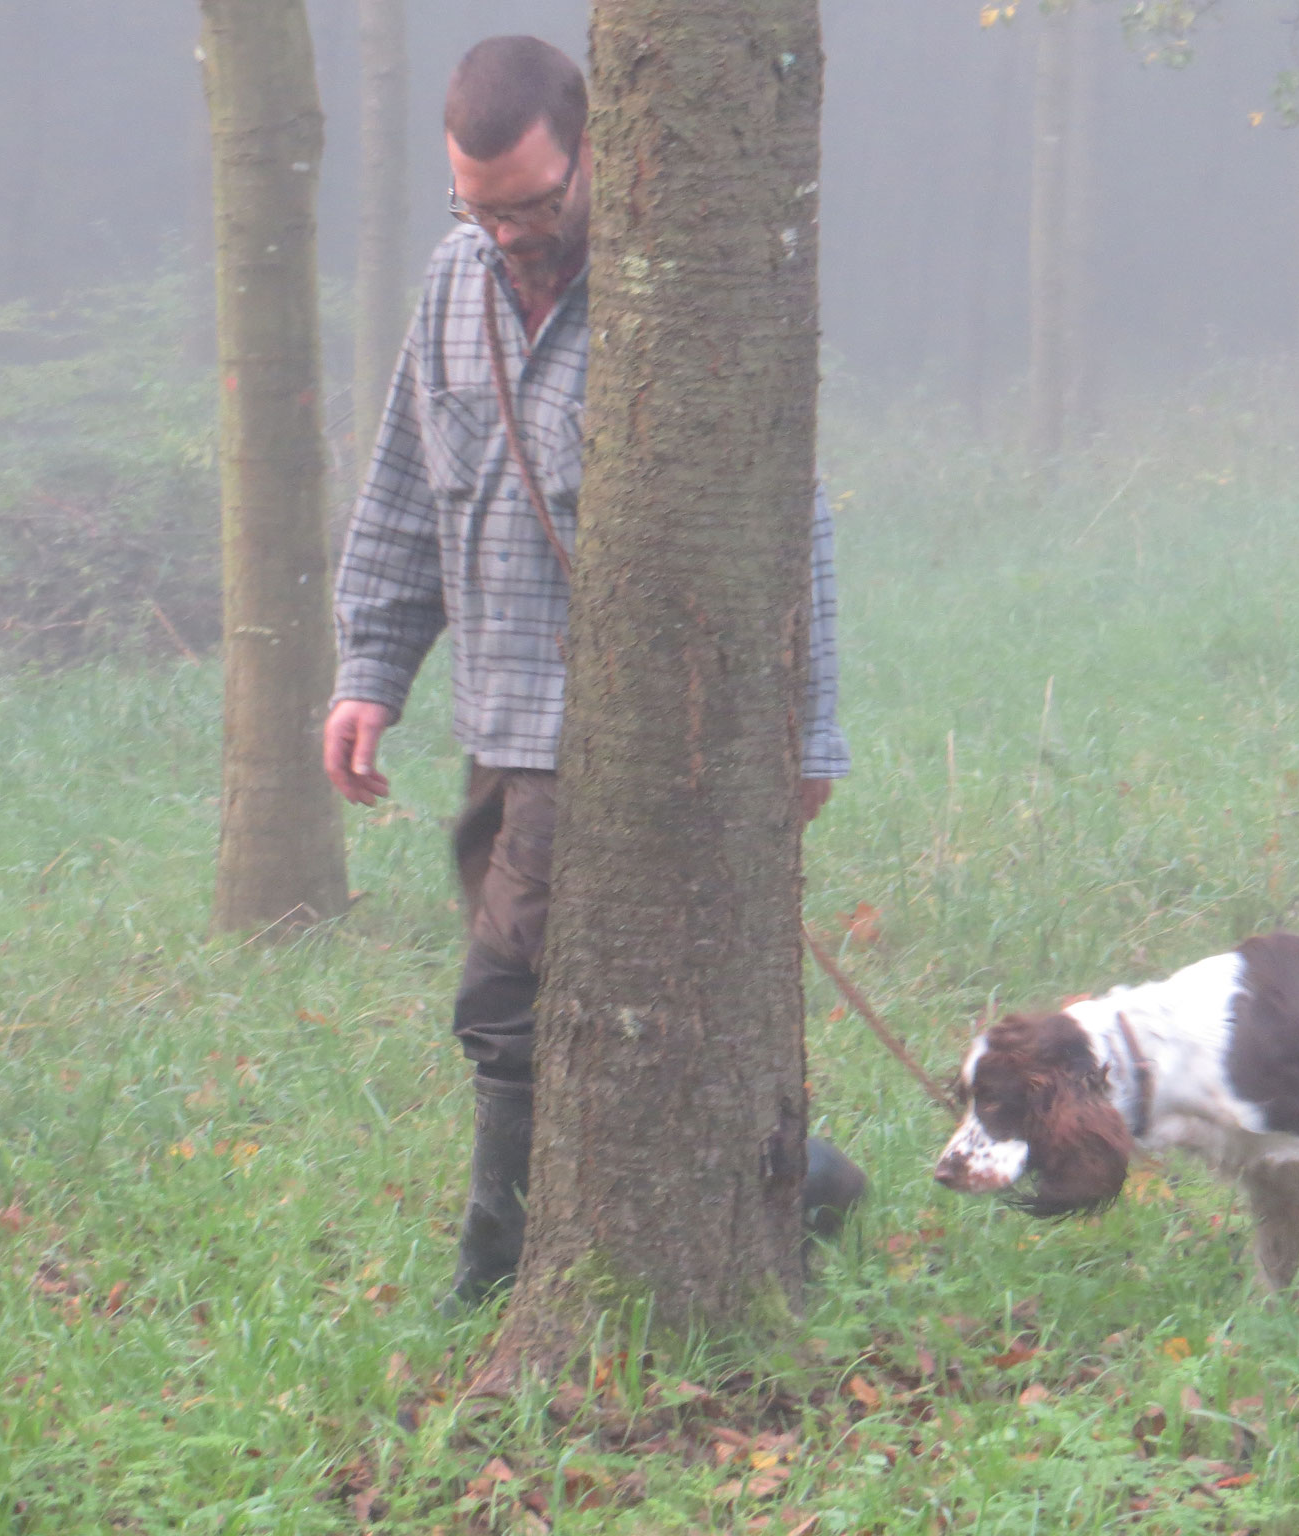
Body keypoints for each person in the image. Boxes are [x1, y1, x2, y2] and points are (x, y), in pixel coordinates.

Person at [323, 36, 863, 1311]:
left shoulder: (672, 298)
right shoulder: (454, 282)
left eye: (530, 201)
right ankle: (808, 1184)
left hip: (630, 735)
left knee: (503, 1001)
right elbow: (405, 491)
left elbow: (793, 529)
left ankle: (491, 1278)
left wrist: (809, 735)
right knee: (597, 1014)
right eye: (478, 206)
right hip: (495, 725)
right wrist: (368, 670)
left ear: (595, 153)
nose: (506, 231)